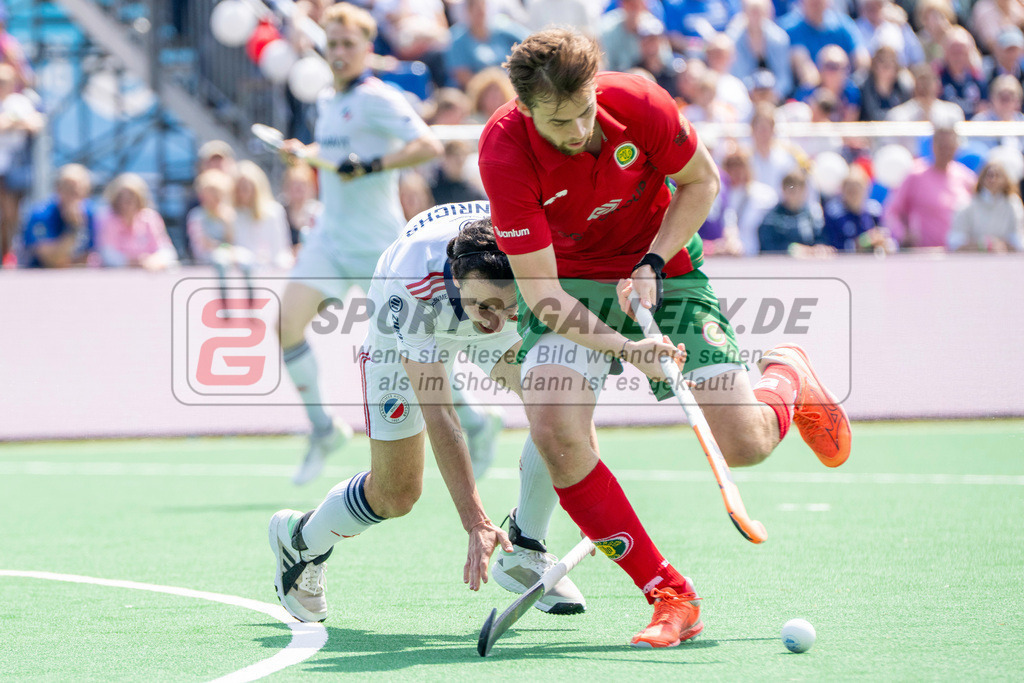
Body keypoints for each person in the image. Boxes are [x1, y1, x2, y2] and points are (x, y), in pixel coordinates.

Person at [478, 28, 852, 648]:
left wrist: (652, 260)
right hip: (567, 284)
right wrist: (630, 351)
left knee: (745, 445)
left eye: (583, 113)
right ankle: (667, 592)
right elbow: (544, 295)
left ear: (597, 89)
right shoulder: (505, 153)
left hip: (665, 268)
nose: (575, 133)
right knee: (554, 430)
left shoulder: (642, 104)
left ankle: (786, 375)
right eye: (557, 122)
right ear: (524, 109)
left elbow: (702, 184)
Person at [269, 204, 586, 623]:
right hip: (405, 332)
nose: (492, 322)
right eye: (485, 308)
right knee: (397, 493)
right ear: (457, 279)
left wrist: (589, 493)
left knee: (556, 409)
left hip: (488, 294)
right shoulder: (411, 282)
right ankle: (302, 541)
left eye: (505, 308)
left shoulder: (525, 256)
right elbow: (441, 416)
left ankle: (525, 548)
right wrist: (475, 521)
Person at [278, 4, 503, 486]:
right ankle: (322, 429)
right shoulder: (325, 99)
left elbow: (427, 145)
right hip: (329, 238)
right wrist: (305, 155)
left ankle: (481, 424)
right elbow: (338, 157)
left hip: (379, 246)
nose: (338, 53)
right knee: (285, 325)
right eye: (332, 44)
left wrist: (372, 165)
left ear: (366, 49)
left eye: (347, 45)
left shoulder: (379, 97)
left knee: (419, 352)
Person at [882, 122, 976, 248]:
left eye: (949, 146)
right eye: (942, 146)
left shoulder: (966, 177)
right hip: (923, 256)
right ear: (933, 146)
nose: (945, 151)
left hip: (957, 256)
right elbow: (892, 212)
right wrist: (903, 234)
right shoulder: (915, 175)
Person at [0, 63, 43, 266]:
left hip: (13, 166)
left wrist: (11, 122)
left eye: (4, 82)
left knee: (11, 214)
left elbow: (35, 124)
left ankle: (9, 252)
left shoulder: (19, 102)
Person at [21, 164, 97, 268]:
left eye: (77, 192)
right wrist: (74, 229)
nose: (73, 197)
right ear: (58, 189)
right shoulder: (41, 214)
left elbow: (87, 257)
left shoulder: (90, 213)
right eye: (68, 190)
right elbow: (50, 260)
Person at [97, 173, 178, 270]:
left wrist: (154, 260)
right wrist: (129, 262)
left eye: (131, 197)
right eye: (122, 198)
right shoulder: (108, 219)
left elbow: (166, 249)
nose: (126, 202)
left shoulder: (150, 218)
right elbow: (107, 253)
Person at [446, 0, 529, 89]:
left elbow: (529, 41)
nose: (480, 11)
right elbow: (462, 76)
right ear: (468, 11)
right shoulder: (458, 40)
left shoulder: (503, 28)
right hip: (478, 94)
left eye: (482, 7)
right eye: (476, 9)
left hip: (511, 87)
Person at [947, 161, 1024, 251]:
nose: (993, 179)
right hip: (972, 262)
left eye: (997, 176)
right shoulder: (966, 205)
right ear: (982, 179)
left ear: (1005, 180)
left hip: (1005, 262)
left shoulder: (1013, 204)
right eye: (989, 175)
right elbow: (955, 242)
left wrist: (1001, 245)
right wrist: (982, 246)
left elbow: (1018, 240)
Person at [232, 160, 294, 270]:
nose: (242, 192)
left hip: (271, 272)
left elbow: (281, 250)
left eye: (246, 187)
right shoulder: (232, 215)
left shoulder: (274, 212)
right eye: (239, 188)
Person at [758, 168, 832, 255]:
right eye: (791, 189)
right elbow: (767, 245)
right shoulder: (772, 217)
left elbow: (821, 238)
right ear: (783, 190)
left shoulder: (813, 215)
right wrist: (792, 249)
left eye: (799, 189)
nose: (795, 194)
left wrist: (819, 247)